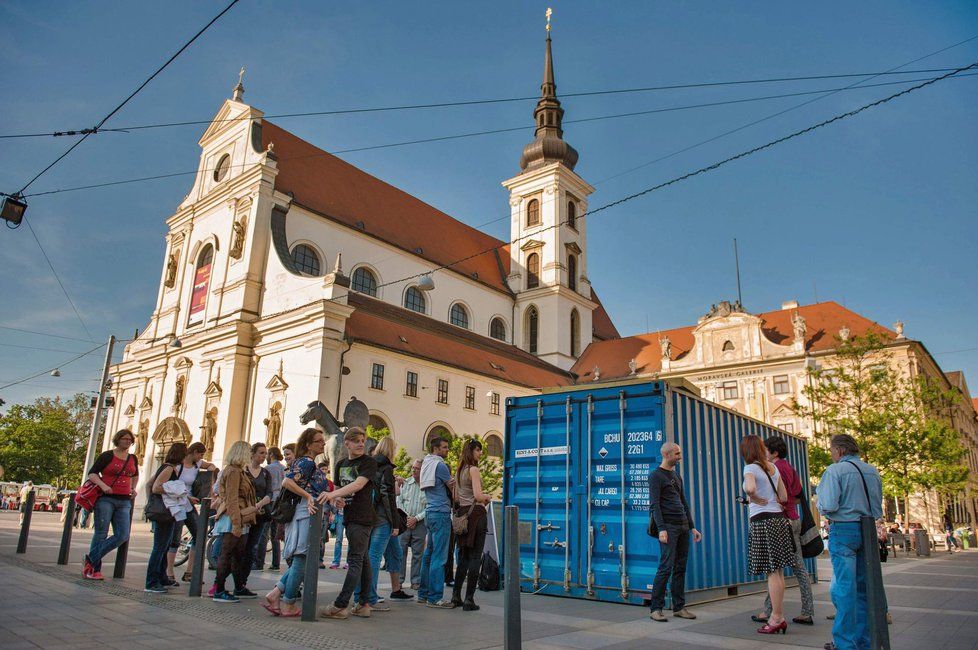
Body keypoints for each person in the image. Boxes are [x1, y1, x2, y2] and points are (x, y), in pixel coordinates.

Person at [817, 434, 884, 650]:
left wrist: (821, 506)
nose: (830, 453)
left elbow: (828, 505)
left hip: (844, 529)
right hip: (868, 528)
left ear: (839, 450)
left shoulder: (834, 470)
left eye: (831, 449)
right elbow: (877, 507)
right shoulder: (872, 471)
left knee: (845, 588)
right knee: (865, 588)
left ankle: (845, 642)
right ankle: (864, 640)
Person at [263, 429, 331, 617]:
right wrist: (309, 496)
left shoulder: (309, 463)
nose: (322, 444)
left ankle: (275, 593)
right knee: (302, 557)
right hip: (305, 513)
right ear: (308, 444)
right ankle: (288, 602)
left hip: (308, 512)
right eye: (318, 441)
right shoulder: (306, 462)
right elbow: (287, 482)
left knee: (303, 558)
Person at [319, 428, 379, 620]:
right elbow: (339, 490)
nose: (361, 443)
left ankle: (341, 604)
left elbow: (358, 484)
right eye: (356, 441)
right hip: (349, 516)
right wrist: (337, 500)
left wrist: (333, 495)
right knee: (363, 560)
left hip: (363, 517)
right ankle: (364, 604)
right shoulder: (341, 464)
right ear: (347, 444)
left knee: (354, 560)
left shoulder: (368, 462)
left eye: (362, 440)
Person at [753, 436, 814, 625]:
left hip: (781, 520)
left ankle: (778, 611)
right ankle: (779, 609)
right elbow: (798, 495)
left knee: (777, 567)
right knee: (785, 567)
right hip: (793, 518)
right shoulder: (790, 468)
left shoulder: (774, 469)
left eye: (765, 450)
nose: (763, 453)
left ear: (774, 452)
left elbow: (780, 496)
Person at [741, 434, 795, 635]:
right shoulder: (773, 468)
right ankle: (777, 616)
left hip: (762, 521)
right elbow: (783, 496)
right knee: (778, 572)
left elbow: (750, 487)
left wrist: (753, 496)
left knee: (772, 572)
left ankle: (776, 618)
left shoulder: (750, 468)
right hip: (779, 519)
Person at [647, 441, 702, 622]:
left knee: (680, 567)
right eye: (677, 454)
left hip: (683, 526)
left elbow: (683, 502)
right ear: (667, 455)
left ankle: (679, 607)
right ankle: (656, 608)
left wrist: (692, 526)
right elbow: (655, 505)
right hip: (669, 527)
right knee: (665, 567)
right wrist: (662, 529)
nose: (680, 457)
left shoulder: (677, 476)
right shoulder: (656, 476)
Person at [352, 435, 400, 610]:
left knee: (365, 557)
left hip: (367, 516)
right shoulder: (387, 468)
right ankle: (369, 598)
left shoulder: (369, 465)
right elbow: (388, 497)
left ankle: (359, 596)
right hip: (382, 518)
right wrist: (395, 522)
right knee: (373, 558)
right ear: (391, 450)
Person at [84, 430, 138, 580]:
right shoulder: (107, 455)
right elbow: (92, 473)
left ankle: (90, 559)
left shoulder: (132, 458)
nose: (127, 442)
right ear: (118, 440)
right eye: (124, 439)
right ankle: (94, 569)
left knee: (122, 534)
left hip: (124, 500)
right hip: (106, 498)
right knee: (101, 533)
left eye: (130, 440)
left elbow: (135, 475)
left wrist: (133, 488)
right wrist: (102, 485)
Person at [210, 441, 260, 603]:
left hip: (239, 516)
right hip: (232, 517)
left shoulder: (239, 471)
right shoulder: (233, 471)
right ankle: (219, 589)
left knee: (238, 554)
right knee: (227, 553)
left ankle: (238, 586)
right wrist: (237, 524)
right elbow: (231, 499)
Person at [450, 439, 492, 611]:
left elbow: (456, 498)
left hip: (462, 516)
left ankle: (455, 596)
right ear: (471, 451)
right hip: (476, 515)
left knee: (464, 558)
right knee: (475, 557)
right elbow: (478, 495)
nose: (480, 453)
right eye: (478, 450)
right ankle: (469, 599)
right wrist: (487, 496)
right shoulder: (473, 470)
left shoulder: (459, 470)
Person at [167, 441, 217, 583]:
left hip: (189, 505)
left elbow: (211, 466)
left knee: (199, 534)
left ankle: (190, 571)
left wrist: (210, 472)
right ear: (194, 452)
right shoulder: (178, 465)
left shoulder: (197, 464)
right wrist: (187, 496)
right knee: (175, 539)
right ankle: (169, 572)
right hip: (177, 504)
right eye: (200, 454)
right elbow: (172, 486)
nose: (201, 457)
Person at [417, 436, 456, 608]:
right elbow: (452, 487)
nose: (447, 450)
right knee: (439, 558)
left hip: (430, 512)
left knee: (428, 555)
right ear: (436, 449)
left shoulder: (427, 463)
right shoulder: (440, 465)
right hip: (441, 513)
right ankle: (435, 597)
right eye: (445, 447)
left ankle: (423, 594)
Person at [145, 443, 187, 593]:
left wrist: (150, 502)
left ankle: (162, 577)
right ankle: (151, 582)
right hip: (164, 512)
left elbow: (149, 484)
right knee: (159, 547)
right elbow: (155, 486)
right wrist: (174, 492)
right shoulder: (169, 468)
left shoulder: (165, 466)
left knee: (165, 545)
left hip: (166, 511)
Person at [239, 443, 273, 592]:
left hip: (260, 514)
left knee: (252, 547)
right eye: (261, 453)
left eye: (265, 453)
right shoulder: (243, 471)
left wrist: (258, 505)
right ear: (252, 453)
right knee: (240, 547)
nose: (264, 456)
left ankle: (242, 583)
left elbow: (270, 493)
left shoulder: (265, 473)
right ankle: (235, 580)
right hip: (244, 514)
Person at [397, 458, 427, 592]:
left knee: (417, 554)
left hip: (420, 524)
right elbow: (399, 501)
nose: (413, 470)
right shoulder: (406, 483)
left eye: (417, 468)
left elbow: (428, 506)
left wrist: (416, 518)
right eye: (413, 468)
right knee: (400, 552)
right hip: (404, 522)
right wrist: (408, 517)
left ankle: (415, 581)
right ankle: (398, 580)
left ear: (423, 470)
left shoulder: (427, 486)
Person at [257, 446, 286, 570]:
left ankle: (259, 562)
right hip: (280, 500)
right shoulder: (284, 468)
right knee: (275, 534)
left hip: (270, 500)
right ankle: (276, 563)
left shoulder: (268, 469)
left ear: (272, 454)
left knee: (264, 531)